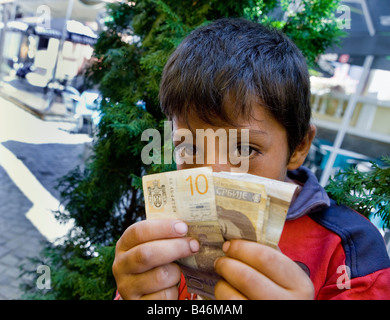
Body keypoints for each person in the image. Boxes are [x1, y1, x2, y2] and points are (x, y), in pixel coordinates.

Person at [112, 18, 390, 300]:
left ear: (299, 146)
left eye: (245, 149)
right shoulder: (171, 228)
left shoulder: (349, 251)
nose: (213, 174)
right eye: (191, 147)